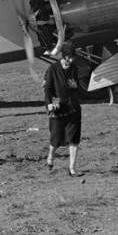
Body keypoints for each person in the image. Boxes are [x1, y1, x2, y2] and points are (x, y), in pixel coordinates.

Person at [44, 43, 82, 176]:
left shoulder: (74, 69)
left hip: (73, 108)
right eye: (68, 58)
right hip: (58, 109)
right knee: (56, 138)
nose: (70, 61)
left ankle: (72, 168)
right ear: (64, 56)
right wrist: (49, 104)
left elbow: (77, 88)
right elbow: (48, 89)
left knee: (74, 139)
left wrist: (75, 85)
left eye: (72, 58)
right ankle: (50, 156)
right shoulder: (53, 69)